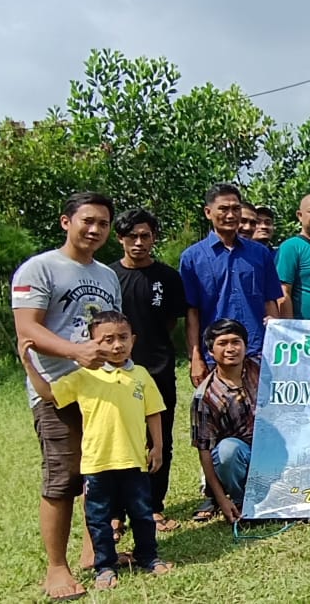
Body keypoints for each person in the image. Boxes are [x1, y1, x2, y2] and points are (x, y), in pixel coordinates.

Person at [10, 191, 122, 601]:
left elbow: (112, 331)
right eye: (87, 221)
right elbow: (27, 331)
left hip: (103, 391)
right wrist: (76, 352)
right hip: (56, 390)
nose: (95, 230)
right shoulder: (39, 268)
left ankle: (96, 551)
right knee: (63, 478)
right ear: (66, 222)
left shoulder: (108, 276)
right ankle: (57, 567)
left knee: (102, 472)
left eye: (103, 224)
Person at [21, 312, 174, 590]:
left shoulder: (140, 376)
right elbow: (49, 395)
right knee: (100, 519)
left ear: (133, 340)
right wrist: (29, 364)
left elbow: (154, 412)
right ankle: (104, 567)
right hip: (97, 465)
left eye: (123, 338)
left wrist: (158, 447)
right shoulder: (82, 377)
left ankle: (148, 556)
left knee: (142, 513)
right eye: (108, 339)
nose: (117, 345)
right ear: (92, 343)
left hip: (134, 462)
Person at [109, 209, 186, 533]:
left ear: (154, 237)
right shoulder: (108, 276)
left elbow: (171, 320)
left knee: (159, 438)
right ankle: (116, 513)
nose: (139, 242)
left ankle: (154, 506)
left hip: (158, 366)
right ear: (120, 239)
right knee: (117, 439)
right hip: (114, 371)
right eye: (132, 237)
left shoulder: (167, 277)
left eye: (145, 236)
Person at [181, 183, 282, 383]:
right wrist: (195, 357)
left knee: (260, 412)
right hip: (215, 354)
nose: (230, 215)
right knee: (218, 410)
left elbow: (270, 302)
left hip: (257, 350)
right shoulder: (192, 258)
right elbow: (192, 312)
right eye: (224, 209)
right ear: (208, 212)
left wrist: (275, 347)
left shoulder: (260, 254)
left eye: (235, 209)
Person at [190, 319, 261, 525]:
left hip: (272, 450)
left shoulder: (261, 368)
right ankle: (240, 502)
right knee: (227, 451)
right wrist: (221, 500)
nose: (230, 349)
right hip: (241, 458)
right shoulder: (205, 396)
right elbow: (204, 452)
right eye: (223, 343)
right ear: (211, 352)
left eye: (236, 342)